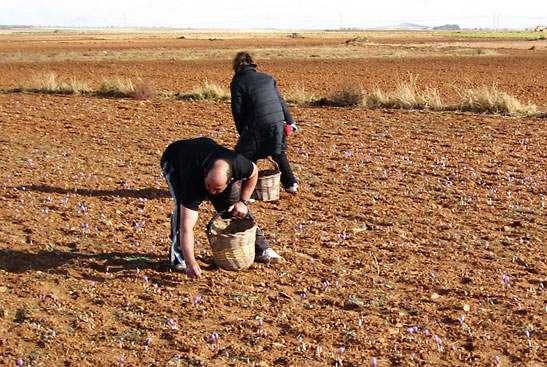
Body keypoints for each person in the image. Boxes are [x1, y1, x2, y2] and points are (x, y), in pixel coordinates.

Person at [160, 137, 283, 278]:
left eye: (217, 189)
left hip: (206, 151)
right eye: (209, 187)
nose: (211, 192)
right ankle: (179, 258)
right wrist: (191, 262)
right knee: (182, 213)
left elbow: (254, 172)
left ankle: (261, 249)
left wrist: (243, 201)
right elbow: (186, 228)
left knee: (236, 208)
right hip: (175, 160)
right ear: (205, 174)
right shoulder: (191, 183)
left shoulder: (238, 164)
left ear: (230, 180)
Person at [230, 51, 299, 194]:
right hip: (276, 121)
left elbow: (237, 110)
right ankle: (291, 185)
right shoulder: (267, 78)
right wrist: (290, 123)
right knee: (279, 153)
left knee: (246, 156)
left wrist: (242, 131)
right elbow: (281, 102)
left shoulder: (238, 82)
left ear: (237, 65)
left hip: (256, 123)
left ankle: (246, 192)